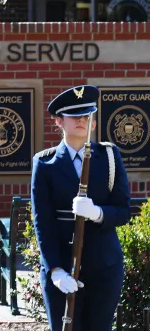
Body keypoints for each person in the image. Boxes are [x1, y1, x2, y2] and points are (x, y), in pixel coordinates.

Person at [31, 85, 131, 331]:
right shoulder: (45, 163)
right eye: (74, 115)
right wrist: (54, 269)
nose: (81, 120)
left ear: (94, 123)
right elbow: (43, 222)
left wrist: (97, 213)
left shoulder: (109, 156)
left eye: (86, 115)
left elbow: (123, 210)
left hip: (103, 266)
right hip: (63, 267)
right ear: (59, 122)